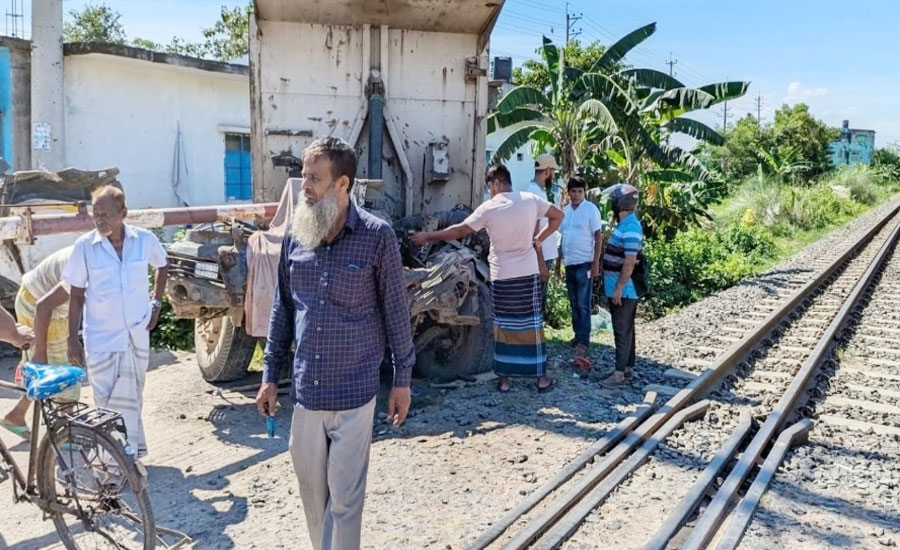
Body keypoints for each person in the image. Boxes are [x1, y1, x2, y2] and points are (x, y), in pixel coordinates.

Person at [256, 137, 415, 550]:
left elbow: (396, 310)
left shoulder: (377, 237)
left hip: (355, 394)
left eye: (314, 178)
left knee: (345, 503)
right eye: (303, 176)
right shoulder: (296, 236)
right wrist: (270, 375)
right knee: (314, 500)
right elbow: (283, 309)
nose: (304, 186)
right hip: (307, 393)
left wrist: (403, 380)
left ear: (342, 184)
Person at [412, 164, 564, 393]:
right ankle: (540, 379)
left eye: (490, 187)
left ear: (496, 183)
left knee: (502, 325)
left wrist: (427, 236)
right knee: (530, 324)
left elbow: (459, 230)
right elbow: (558, 216)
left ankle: (504, 381)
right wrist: (538, 239)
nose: (490, 191)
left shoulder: (490, 208)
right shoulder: (531, 199)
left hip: (502, 275)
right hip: (527, 274)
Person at [63, 185, 169, 458]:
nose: (99, 220)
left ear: (123, 213)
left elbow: (163, 265)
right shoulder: (84, 247)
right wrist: (72, 340)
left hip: (135, 337)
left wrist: (156, 303)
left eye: (106, 214)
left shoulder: (144, 240)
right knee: (106, 405)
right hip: (100, 341)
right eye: (95, 214)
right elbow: (76, 295)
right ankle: (115, 466)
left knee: (133, 400)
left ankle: (128, 457)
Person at [1, 246, 76, 439]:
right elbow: (45, 305)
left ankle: (16, 415)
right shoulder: (89, 259)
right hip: (37, 304)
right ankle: (66, 430)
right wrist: (18, 338)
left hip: (39, 301)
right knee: (63, 366)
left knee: (43, 367)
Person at [599, 183, 644, 388]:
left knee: (621, 330)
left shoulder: (631, 227)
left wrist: (618, 287)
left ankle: (618, 375)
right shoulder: (626, 225)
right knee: (627, 329)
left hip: (624, 290)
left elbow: (629, 261)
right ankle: (628, 367)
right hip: (620, 288)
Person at [556, 176, 604, 359]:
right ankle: (577, 336)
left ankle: (584, 340)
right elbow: (563, 238)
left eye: (579, 191)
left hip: (585, 262)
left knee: (584, 304)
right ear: (568, 193)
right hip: (570, 263)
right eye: (573, 191)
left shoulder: (591, 210)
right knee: (574, 302)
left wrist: (595, 263)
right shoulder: (565, 212)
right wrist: (558, 263)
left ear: (584, 192)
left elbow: (598, 237)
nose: (576, 195)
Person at [529, 154, 562, 310]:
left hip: (543, 254)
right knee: (536, 303)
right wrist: (540, 261)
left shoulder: (536, 191)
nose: (554, 176)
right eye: (553, 172)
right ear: (548, 171)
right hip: (540, 256)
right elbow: (533, 232)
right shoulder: (535, 193)